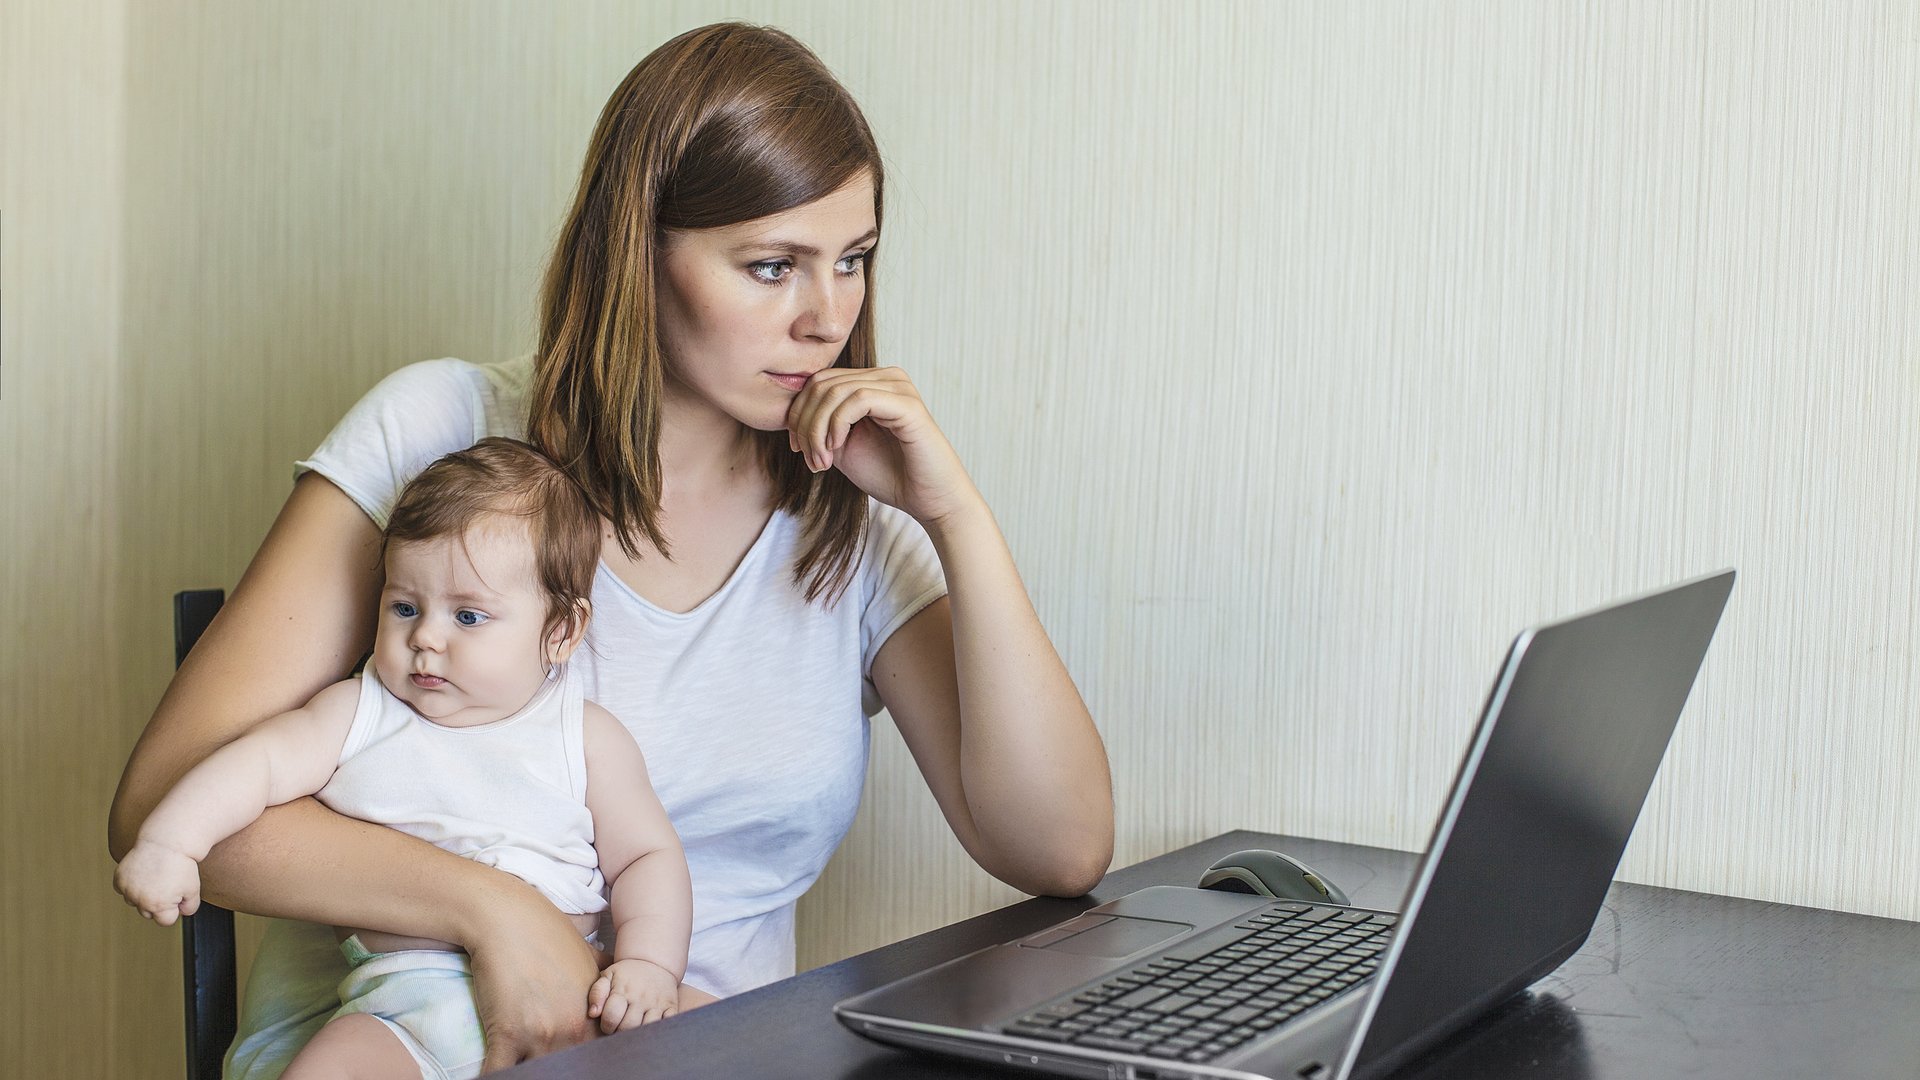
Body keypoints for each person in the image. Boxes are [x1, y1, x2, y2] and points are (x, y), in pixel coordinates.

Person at [108, 20, 1114, 1077]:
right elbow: (164, 801)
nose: (828, 318)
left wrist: (953, 516)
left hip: (711, 1053)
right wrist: (495, 911)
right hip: (395, 1039)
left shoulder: (844, 521)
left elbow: (1058, 849)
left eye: (852, 261)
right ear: (639, 251)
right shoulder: (440, 432)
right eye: (772, 267)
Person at [114, 438, 694, 1080]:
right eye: (405, 607)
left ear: (560, 632)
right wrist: (172, 842)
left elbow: (647, 856)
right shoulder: (360, 712)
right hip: (399, 1013)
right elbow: (256, 765)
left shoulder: (584, 735)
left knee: (741, 1036)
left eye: (468, 616)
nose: (426, 637)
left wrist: (649, 966)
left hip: (574, 994)